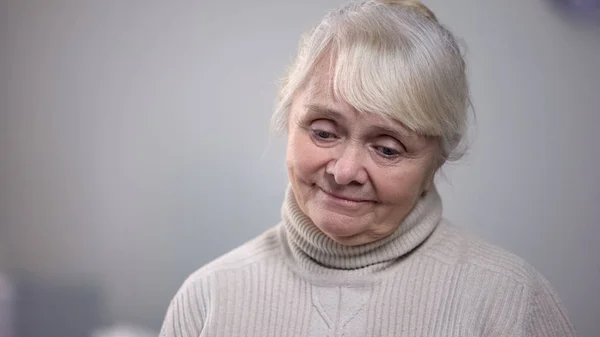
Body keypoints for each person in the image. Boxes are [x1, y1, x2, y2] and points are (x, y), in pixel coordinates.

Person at [160, 0, 576, 336]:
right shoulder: (208, 297)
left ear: (436, 161)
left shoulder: (510, 299)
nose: (344, 171)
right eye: (324, 132)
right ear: (290, 122)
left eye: (388, 149)